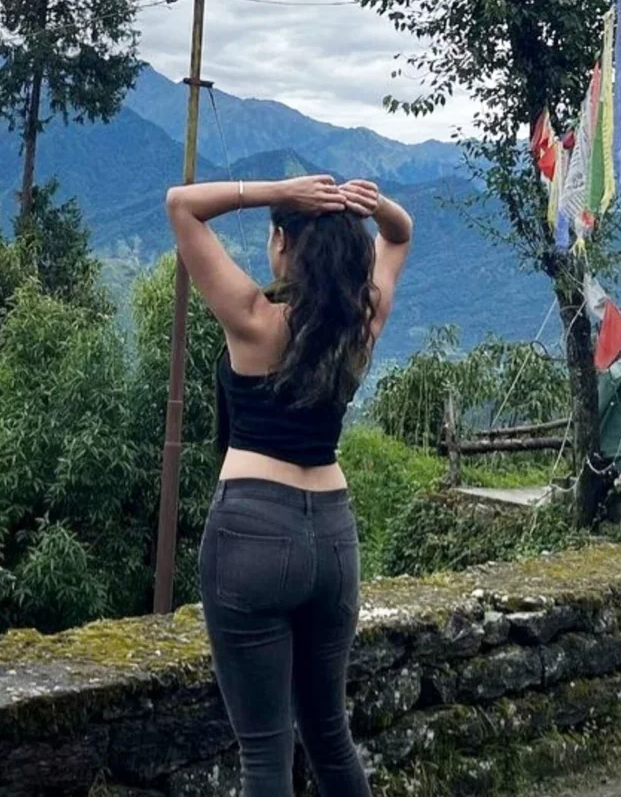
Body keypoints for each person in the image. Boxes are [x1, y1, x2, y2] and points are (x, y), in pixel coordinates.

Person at [164, 174, 413, 797]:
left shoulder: (253, 318)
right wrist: (369, 202)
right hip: (333, 535)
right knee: (330, 735)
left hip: (251, 530)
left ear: (283, 243)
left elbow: (182, 207)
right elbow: (400, 232)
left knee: (264, 755)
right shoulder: (362, 324)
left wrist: (279, 189)